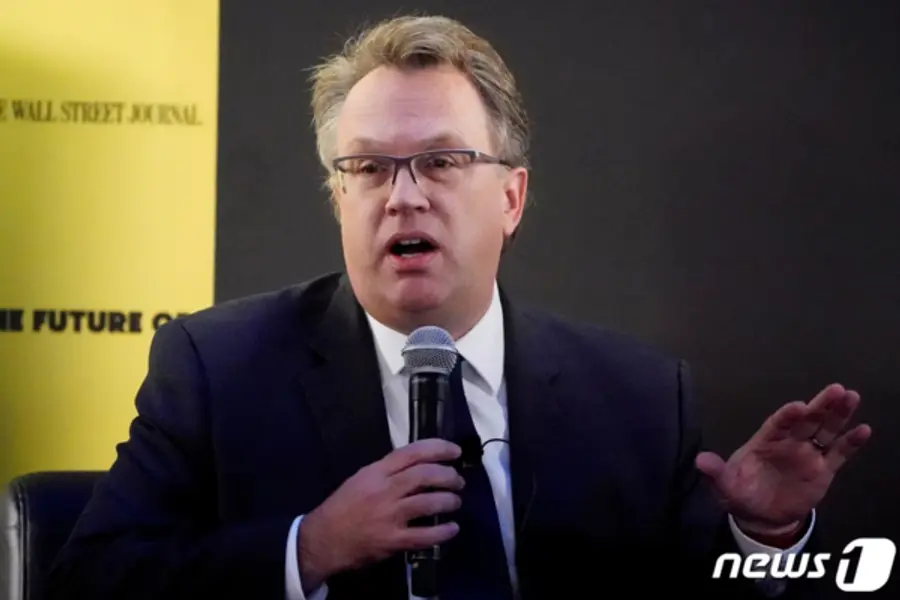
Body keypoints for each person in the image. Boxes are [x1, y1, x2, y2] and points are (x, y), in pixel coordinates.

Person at [48, 14, 871, 600]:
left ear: (511, 198)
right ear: (338, 198)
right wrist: (312, 547)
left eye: (441, 162)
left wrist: (763, 538)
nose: (403, 197)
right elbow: (88, 580)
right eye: (369, 169)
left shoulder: (638, 398)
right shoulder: (218, 369)